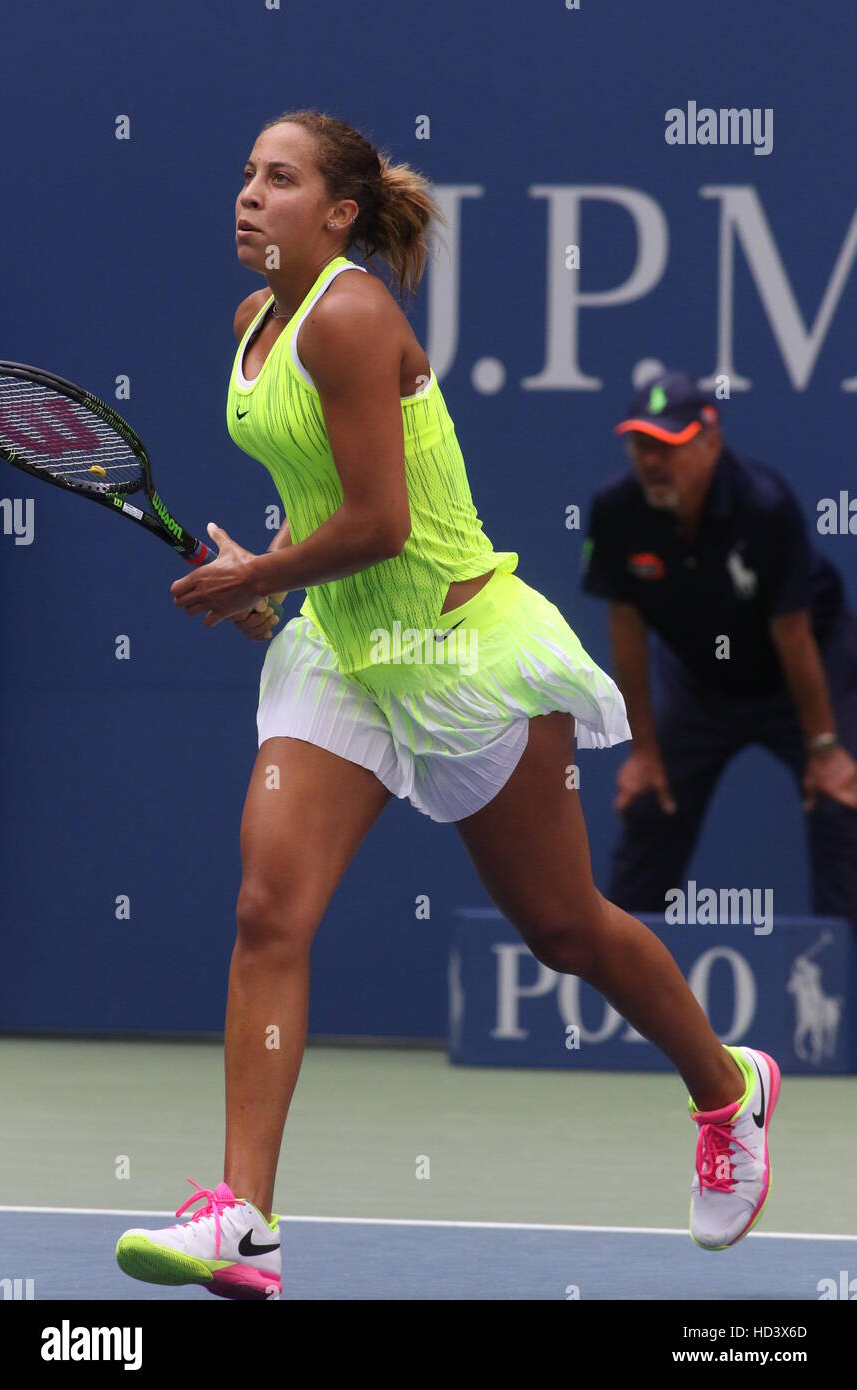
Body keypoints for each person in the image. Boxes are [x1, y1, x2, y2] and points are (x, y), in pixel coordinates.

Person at [114, 115, 779, 1300]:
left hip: (460, 650)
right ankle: (242, 1215)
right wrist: (270, 575)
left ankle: (728, 1089)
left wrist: (258, 579)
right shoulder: (252, 327)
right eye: (245, 175)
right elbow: (321, 501)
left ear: (338, 216)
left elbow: (380, 522)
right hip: (345, 654)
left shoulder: (356, 316)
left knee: (566, 929)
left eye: (281, 179)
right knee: (269, 901)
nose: (249, 195)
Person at [581, 370, 857, 935]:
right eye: (642, 445)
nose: (653, 461)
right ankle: (618, 995)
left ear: (711, 440)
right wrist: (644, 751)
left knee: (839, 805)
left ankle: (843, 998)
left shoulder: (765, 507)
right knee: (650, 803)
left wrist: (824, 750)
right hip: (700, 683)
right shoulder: (616, 510)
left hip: (807, 672)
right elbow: (626, 625)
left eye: (670, 446)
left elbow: (794, 636)